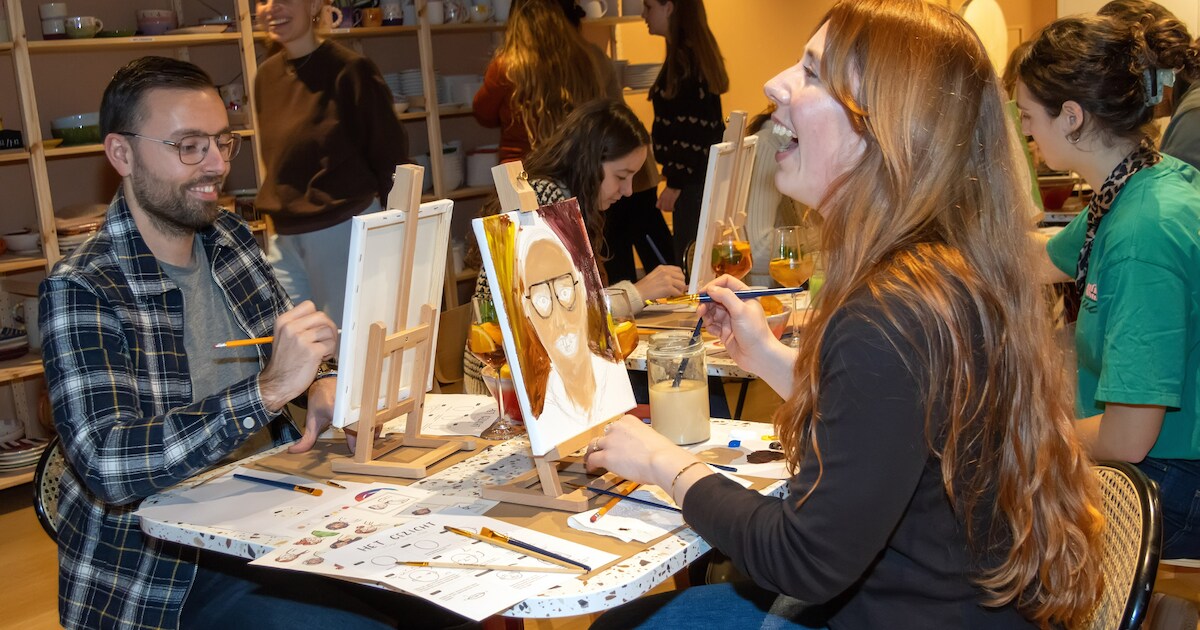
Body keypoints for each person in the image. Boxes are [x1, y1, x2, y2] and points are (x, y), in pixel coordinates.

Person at [587, 1, 1104, 627]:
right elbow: (896, 425)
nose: (776, 84)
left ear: (885, 131)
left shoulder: (888, 314)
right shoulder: (943, 273)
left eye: (811, 70)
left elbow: (804, 558)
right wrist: (767, 356)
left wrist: (664, 465)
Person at [38, 57, 471, 630]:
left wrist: (322, 380)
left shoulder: (230, 240)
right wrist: (266, 392)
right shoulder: (83, 288)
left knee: (451, 601)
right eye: (189, 146)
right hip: (168, 569)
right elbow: (107, 463)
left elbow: (296, 351)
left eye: (223, 141)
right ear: (122, 154)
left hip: (274, 510)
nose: (216, 164)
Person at [1017, 11, 1200, 559]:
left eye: (1027, 116)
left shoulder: (1144, 232)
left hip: (1175, 481)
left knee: (981, 502)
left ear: (1070, 116)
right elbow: (1039, 260)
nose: (1024, 131)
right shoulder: (1136, 182)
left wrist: (1026, 434)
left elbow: (1127, 438)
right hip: (1165, 460)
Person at [464, 100, 686, 395]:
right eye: (621, 176)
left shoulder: (564, 198)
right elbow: (556, 316)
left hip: (531, 375)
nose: (629, 190)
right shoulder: (543, 201)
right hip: (506, 384)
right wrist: (637, 293)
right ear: (589, 162)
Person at [254, 0, 409, 327]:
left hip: (342, 231)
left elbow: (391, 160)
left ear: (314, 5)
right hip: (283, 236)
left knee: (347, 350)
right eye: (264, 0)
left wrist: (395, 239)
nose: (273, 7)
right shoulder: (266, 77)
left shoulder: (351, 70)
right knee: (292, 344)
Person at [642, 0, 728, 264]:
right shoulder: (692, 55)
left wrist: (675, 183)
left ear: (669, 7)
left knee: (690, 262)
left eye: (648, 6)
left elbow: (691, 130)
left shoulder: (684, 61)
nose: (644, 14)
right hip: (701, 180)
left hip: (692, 184)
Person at [472, 0, 606, 162]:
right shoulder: (583, 60)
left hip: (518, 173)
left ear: (516, 21)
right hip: (569, 167)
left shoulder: (506, 66)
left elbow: (483, 114)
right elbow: (598, 111)